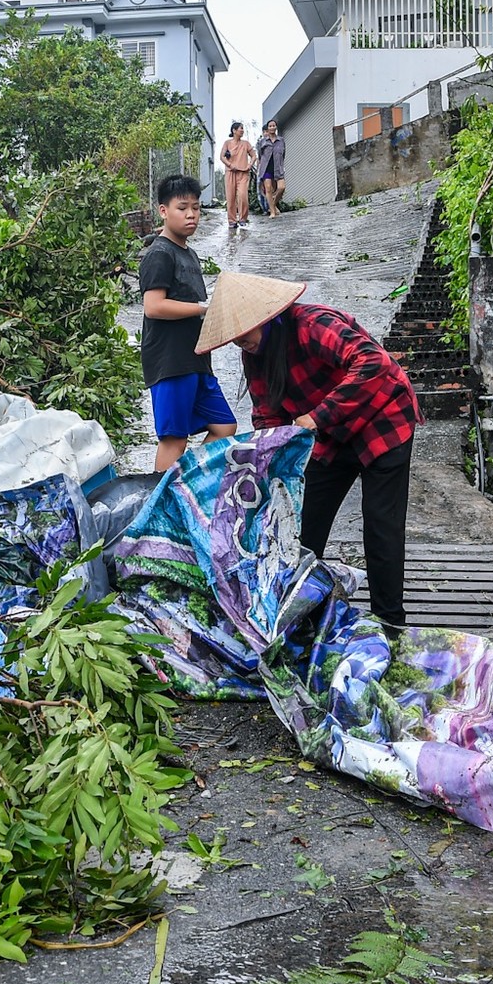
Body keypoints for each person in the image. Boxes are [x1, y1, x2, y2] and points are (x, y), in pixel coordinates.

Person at [196, 272, 420, 631]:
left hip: (383, 419)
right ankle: (298, 616)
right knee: (300, 526)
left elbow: (374, 363)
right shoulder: (254, 355)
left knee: (381, 526)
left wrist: (316, 417)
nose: (241, 342)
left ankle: (390, 625)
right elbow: (267, 413)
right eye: (234, 339)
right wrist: (266, 462)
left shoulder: (313, 324)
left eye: (245, 333)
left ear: (265, 319)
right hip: (330, 438)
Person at [139, 174, 237, 473]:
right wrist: (202, 309)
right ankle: (157, 505)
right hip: (170, 362)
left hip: (195, 360)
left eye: (196, 207)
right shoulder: (159, 254)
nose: (191, 214)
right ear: (163, 211)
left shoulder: (189, 253)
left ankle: (184, 482)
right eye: (183, 208)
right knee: (174, 440)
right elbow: (154, 306)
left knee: (224, 425)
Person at [218, 122, 255, 235]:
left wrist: (250, 165)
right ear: (234, 130)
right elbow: (222, 157)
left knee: (243, 196)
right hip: (231, 172)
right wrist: (230, 165)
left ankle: (243, 219)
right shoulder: (227, 143)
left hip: (243, 173)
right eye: (240, 128)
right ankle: (232, 221)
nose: (242, 130)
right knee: (231, 197)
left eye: (243, 128)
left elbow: (253, 155)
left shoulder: (246, 144)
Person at [255, 120, 287, 218]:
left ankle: (272, 203)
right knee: (268, 189)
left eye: (274, 126)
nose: (272, 127)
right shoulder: (263, 141)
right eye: (270, 126)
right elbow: (260, 155)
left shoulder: (281, 140)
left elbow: (283, 154)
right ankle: (272, 212)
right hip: (266, 168)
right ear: (267, 128)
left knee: (281, 188)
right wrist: (258, 168)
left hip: (278, 167)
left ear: (276, 127)